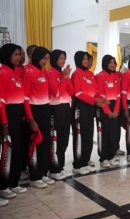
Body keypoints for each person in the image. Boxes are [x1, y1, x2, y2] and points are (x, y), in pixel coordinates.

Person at [0, 44, 35, 202]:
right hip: (6, 117)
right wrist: (4, 124)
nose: (19, 57)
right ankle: (3, 186)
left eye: (19, 55)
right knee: (6, 154)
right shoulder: (2, 73)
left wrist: (30, 118)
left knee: (18, 150)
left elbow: (24, 100)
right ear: (7, 55)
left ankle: (13, 183)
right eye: (15, 54)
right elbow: (0, 102)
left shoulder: (17, 73)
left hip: (18, 117)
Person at [24, 47, 54, 188]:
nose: (45, 61)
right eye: (44, 58)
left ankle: (43, 172)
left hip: (45, 109)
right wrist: (31, 119)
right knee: (36, 143)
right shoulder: (28, 71)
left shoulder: (44, 71)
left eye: (47, 59)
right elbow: (26, 98)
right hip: (34, 110)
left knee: (46, 142)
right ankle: (35, 176)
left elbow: (50, 91)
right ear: (37, 57)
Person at [71, 51, 106, 175]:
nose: (86, 61)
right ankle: (77, 164)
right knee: (79, 136)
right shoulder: (76, 74)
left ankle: (85, 162)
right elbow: (78, 93)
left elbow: (96, 90)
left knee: (88, 136)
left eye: (87, 59)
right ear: (78, 60)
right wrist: (94, 100)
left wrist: (100, 98)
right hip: (80, 108)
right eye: (84, 59)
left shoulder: (91, 74)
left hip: (90, 108)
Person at [47, 49, 73, 180]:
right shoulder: (51, 73)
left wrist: (67, 78)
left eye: (64, 58)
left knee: (64, 137)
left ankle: (60, 166)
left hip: (65, 107)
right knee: (55, 138)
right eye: (60, 58)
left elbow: (71, 92)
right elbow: (56, 92)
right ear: (54, 59)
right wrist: (64, 78)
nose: (63, 61)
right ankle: (53, 168)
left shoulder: (62, 73)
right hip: (55, 108)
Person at [95, 55, 121, 168]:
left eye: (114, 62)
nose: (112, 64)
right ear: (105, 63)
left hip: (114, 107)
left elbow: (118, 95)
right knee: (104, 133)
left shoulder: (116, 76)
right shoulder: (100, 76)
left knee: (113, 133)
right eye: (110, 62)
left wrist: (116, 110)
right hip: (103, 107)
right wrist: (107, 111)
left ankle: (111, 155)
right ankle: (103, 158)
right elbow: (100, 95)